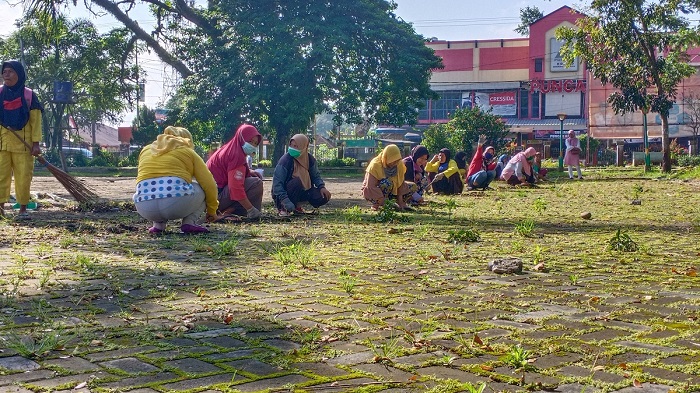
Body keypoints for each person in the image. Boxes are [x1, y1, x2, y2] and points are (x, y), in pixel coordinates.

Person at [133, 126, 219, 234]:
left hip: (144, 206)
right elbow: (209, 184)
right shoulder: (187, 151)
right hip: (175, 204)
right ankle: (189, 223)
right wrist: (212, 210)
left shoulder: (147, 149)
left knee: (152, 184)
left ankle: (158, 225)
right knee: (201, 187)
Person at [0, 61, 43, 220]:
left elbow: (36, 121)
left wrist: (36, 144)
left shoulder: (29, 95)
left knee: (23, 177)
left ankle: (23, 210)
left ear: (19, 74)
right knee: (0, 176)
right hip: (2, 145)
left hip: (24, 146)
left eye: (11, 71)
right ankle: (1, 209)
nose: (6, 74)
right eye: (4, 71)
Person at [207, 124, 264, 220]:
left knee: (250, 179)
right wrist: (251, 209)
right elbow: (235, 188)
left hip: (210, 197)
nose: (252, 145)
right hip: (215, 198)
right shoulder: (236, 155)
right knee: (255, 183)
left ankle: (227, 211)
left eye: (255, 143)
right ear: (241, 138)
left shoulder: (230, 148)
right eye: (249, 141)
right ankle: (230, 212)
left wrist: (248, 171)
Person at [272, 134, 331, 216]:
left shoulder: (310, 159)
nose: (292, 149)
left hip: (304, 190)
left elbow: (316, 176)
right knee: (296, 182)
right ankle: (284, 209)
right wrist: (285, 200)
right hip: (284, 195)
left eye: (296, 146)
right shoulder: (285, 161)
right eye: (291, 146)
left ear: (303, 147)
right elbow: (277, 184)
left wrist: (322, 187)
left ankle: (297, 206)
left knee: (323, 196)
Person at [362, 144, 415, 210]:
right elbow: (370, 186)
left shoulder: (399, 164)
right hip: (376, 193)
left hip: (393, 192)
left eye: (396, 160)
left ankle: (400, 204)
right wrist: (382, 201)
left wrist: (401, 202)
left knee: (412, 186)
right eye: (392, 160)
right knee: (386, 183)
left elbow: (400, 184)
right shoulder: (375, 165)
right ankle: (376, 205)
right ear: (386, 157)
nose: (394, 163)